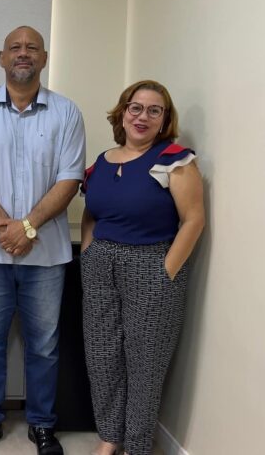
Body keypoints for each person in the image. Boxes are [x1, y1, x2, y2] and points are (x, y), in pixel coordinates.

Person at [0, 26, 86, 455]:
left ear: (44, 58)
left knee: (44, 346)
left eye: (32, 48)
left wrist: (26, 227)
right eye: (15, 48)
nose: (23, 53)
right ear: (2, 58)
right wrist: (5, 227)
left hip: (46, 254)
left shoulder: (67, 113)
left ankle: (42, 425)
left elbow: (70, 179)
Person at [80, 80, 205, 455]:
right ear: (122, 113)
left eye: (154, 110)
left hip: (151, 264)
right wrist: (88, 252)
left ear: (164, 119)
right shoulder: (101, 163)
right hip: (100, 264)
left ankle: (137, 446)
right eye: (136, 108)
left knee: (145, 362)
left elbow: (194, 219)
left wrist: (166, 270)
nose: (143, 117)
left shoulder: (174, 160)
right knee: (102, 355)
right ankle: (109, 437)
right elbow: (91, 213)